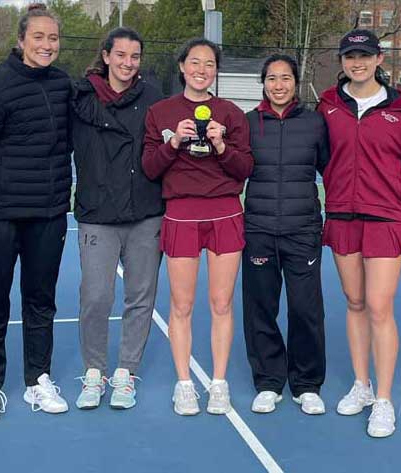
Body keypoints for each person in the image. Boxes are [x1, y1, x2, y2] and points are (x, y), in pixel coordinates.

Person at [0, 3, 72, 422]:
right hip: (1, 217)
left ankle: (37, 380)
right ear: (22, 40)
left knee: (40, 300)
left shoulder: (64, 85)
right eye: (39, 37)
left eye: (53, 38)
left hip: (48, 215)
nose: (47, 45)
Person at [317, 29, 401, 437]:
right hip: (342, 214)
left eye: (364, 55)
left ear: (379, 59)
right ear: (341, 61)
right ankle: (361, 385)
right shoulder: (328, 104)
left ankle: (384, 399)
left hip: (387, 215)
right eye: (349, 56)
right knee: (356, 301)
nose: (356, 62)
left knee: (380, 306)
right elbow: (320, 155)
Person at [142, 38, 253, 416]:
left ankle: (219, 383)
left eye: (209, 64)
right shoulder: (160, 112)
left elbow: (245, 169)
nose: (201, 69)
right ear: (182, 67)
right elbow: (150, 168)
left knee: (221, 303)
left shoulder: (232, 114)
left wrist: (221, 145)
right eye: (194, 62)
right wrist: (173, 142)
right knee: (182, 303)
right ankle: (185, 384)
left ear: (216, 71)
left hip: (225, 213)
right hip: (181, 215)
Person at [71, 27, 163, 410]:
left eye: (135, 56)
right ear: (106, 56)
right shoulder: (78, 97)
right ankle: (94, 371)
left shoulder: (155, 98)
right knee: (96, 297)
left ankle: (126, 372)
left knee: (141, 298)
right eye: (121, 55)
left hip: (145, 213)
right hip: (97, 215)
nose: (128, 63)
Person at [242, 54, 329, 415]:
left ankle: (307, 384)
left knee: (305, 309)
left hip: (302, 230)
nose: (279, 85)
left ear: (296, 82)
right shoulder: (247, 124)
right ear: (263, 83)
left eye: (286, 78)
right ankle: (268, 381)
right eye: (272, 78)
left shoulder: (314, 124)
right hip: (259, 230)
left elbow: (328, 166)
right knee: (260, 309)